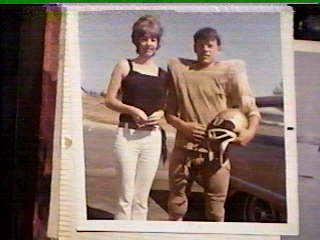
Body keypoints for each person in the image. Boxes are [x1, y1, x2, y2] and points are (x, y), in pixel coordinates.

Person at [165, 27, 261, 222]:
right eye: (201, 45)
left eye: (210, 45)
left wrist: (249, 132)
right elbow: (169, 114)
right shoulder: (181, 73)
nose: (205, 50)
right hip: (185, 147)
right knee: (176, 203)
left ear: (218, 48)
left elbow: (251, 110)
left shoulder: (230, 72)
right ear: (194, 47)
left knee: (216, 206)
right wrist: (185, 127)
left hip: (216, 151)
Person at [104, 15, 167, 220]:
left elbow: (166, 106)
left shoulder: (163, 74)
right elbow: (110, 100)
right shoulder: (125, 66)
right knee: (125, 197)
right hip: (127, 136)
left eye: (153, 39)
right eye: (144, 39)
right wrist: (132, 110)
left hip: (152, 139)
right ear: (136, 41)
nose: (149, 44)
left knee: (141, 199)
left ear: (158, 43)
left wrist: (161, 113)